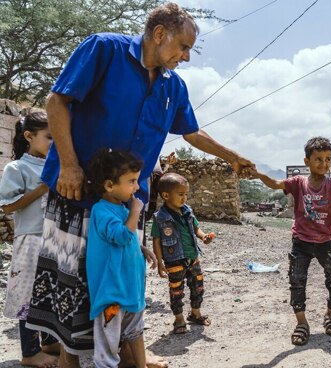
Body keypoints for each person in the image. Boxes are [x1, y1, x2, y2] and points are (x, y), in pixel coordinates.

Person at [25, 3, 254, 367]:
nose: (187, 57)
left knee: (127, 277)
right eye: (183, 46)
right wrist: (68, 165)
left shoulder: (173, 86)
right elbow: (57, 101)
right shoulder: (104, 49)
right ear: (160, 34)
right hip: (77, 189)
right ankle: (71, 359)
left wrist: (232, 156)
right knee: (75, 279)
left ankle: (134, 356)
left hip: (130, 201)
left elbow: (191, 131)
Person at [250, 137, 331, 346]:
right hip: (301, 242)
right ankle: (301, 323)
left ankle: (330, 315)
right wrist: (258, 173)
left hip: (327, 242)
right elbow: (276, 183)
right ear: (307, 161)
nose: (324, 164)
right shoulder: (298, 183)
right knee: (297, 281)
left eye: (328, 159)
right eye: (318, 159)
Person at [0, 112, 59, 367]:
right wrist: (42, 189)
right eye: (49, 137)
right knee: (29, 297)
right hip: (31, 240)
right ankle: (29, 352)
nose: (53, 143)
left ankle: (48, 342)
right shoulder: (16, 168)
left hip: (53, 239)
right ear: (29, 136)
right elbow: (8, 207)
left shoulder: (53, 165)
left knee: (49, 294)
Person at [85, 149, 147, 368]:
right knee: (107, 347)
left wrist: (142, 249)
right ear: (109, 185)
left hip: (131, 288)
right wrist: (136, 211)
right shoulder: (101, 211)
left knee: (136, 332)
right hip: (112, 293)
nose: (137, 187)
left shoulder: (121, 209)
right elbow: (120, 236)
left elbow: (125, 239)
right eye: (131, 181)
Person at [151, 173, 214, 334]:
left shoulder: (188, 212)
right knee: (176, 290)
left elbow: (196, 228)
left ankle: (195, 313)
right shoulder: (160, 218)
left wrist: (203, 236)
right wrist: (159, 262)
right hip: (174, 260)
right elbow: (156, 240)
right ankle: (179, 319)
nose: (184, 198)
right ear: (166, 195)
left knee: (198, 287)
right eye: (180, 194)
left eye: (186, 194)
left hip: (193, 257)